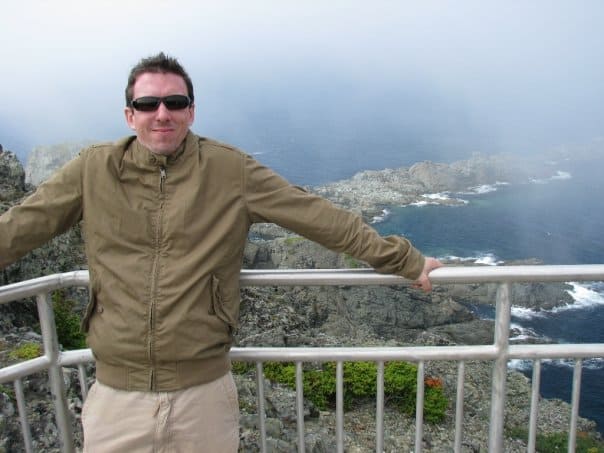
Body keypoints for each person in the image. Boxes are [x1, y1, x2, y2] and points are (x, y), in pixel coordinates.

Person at [0, 52, 442, 452]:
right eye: (148, 104)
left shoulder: (230, 170)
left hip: (203, 398)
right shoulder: (94, 169)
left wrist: (402, 259)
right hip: (117, 398)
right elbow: (23, 225)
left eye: (174, 103)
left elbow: (318, 216)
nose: (162, 114)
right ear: (129, 114)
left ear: (191, 111)